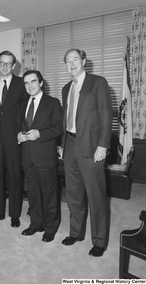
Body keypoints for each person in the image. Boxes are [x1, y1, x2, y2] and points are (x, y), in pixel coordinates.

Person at [61, 49, 112, 257]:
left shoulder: (98, 82)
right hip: (70, 145)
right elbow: (67, 119)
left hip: (92, 146)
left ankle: (99, 241)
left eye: (75, 59)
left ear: (84, 61)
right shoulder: (66, 88)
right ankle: (76, 233)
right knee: (73, 194)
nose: (71, 64)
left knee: (96, 196)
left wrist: (103, 145)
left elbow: (106, 115)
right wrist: (62, 144)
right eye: (68, 61)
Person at [16, 70, 63, 242]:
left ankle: (50, 227)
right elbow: (19, 126)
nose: (30, 86)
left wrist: (40, 133)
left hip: (45, 156)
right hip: (28, 155)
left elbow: (59, 127)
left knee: (49, 194)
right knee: (33, 193)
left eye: (33, 81)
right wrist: (19, 135)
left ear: (41, 83)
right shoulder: (22, 104)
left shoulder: (53, 103)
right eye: (26, 83)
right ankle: (36, 223)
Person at [0, 50, 29, 228]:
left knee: (14, 177)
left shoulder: (21, 84)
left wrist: (22, 133)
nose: (4, 66)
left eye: (8, 63)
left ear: (14, 66)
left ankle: (14, 214)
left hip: (14, 138)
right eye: (1, 63)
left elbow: (27, 110)